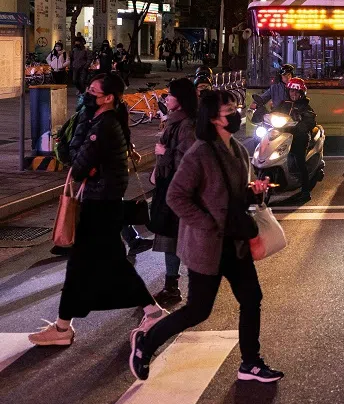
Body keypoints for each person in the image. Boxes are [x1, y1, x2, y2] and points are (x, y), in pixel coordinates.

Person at [130, 90, 283, 383]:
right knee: (198, 310)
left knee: (252, 298)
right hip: (209, 245)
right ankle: (147, 343)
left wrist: (254, 190)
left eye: (236, 108)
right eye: (229, 110)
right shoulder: (199, 153)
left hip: (235, 242)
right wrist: (207, 223)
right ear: (213, 118)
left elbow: (235, 193)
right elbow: (176, 196)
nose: (236, 113)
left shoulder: (237, 149)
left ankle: (251, 363)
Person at [28, 74, 165, 347]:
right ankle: (64, 326)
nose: (87, 95)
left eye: (93, 91)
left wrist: (71, 149)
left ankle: (66, 327)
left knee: (95, 264)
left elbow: (77, 165)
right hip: (102, 202)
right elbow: (81, 162)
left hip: (100, 204)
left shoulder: (103, 126)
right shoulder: (102, 121)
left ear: (108, 98)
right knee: (86, 265)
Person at [151, 78, 198, 306]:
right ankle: (172, 286)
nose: (166, 98)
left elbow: (188, 160)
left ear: (180, 100)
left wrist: (164, 152)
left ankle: (176, 287)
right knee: (172, 238)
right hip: (169, 186)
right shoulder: (174, 121)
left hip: (179, 189)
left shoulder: (187, 125)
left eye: (170, 95)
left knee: (175, 238)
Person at [274, 77, 317, 203]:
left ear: (301, 93)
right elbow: (273, 113)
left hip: (298, 137)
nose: (293, 94)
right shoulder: (283, 104)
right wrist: (261, 113)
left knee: (299, 160)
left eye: (296, 92)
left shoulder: (305, 106)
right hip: (282, 136)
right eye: (292, 91)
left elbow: (310, 120)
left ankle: (305, 190)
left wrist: (301, 125)